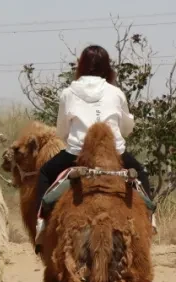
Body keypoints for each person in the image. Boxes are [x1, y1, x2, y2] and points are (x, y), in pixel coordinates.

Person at [33, 44, 154, 236]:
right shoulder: (116, 93)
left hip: (77, 155)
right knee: (141, 172)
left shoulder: (68, 93)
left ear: (81, 66)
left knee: (45, 173)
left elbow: (62, 130)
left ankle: (41, 223)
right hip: (115, 155)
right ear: (107, 67)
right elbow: (126, 128)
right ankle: (149, 220)